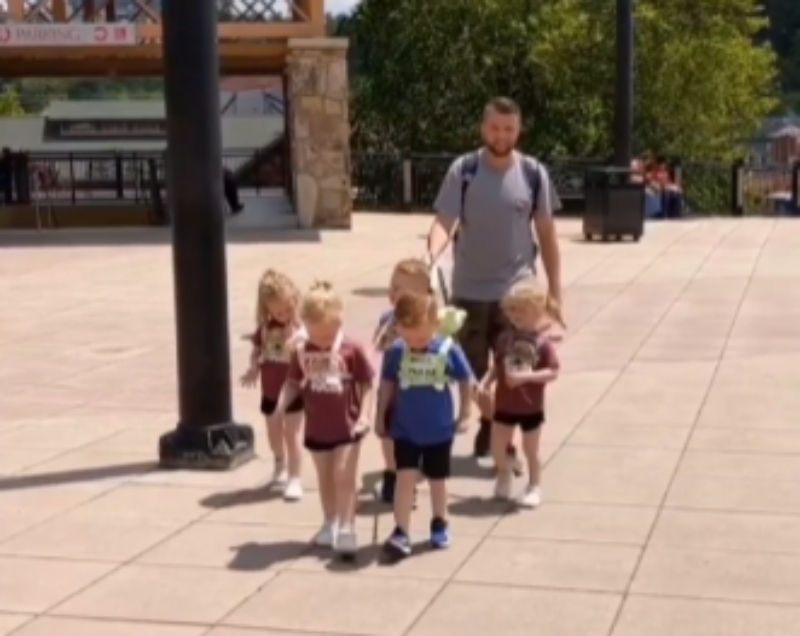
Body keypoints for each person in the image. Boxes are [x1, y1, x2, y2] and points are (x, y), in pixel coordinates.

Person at [426, 96, 563, 465]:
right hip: (468, 291)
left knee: (513, 369)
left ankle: (503, 440)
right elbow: (444, 221)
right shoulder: (464, 170)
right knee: (471, 373)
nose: (501, 136)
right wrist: (432, 255)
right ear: (483, 128)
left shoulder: (533, 174)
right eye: (495, 128)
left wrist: (555, 293)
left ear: (519, 131)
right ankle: (490, 423)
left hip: (516, 294)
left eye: (509, 129)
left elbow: (547, 235)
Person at [275, 281, 375, 557]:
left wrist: (365, 415)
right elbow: (292, 382)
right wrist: (282, 403)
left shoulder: (351, 348)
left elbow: (367, 383)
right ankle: (330, 521)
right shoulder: (302, 350)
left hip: (348, 426)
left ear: (339, 323)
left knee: (344, 476)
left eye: (328, 337)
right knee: (325, 477)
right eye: (316, 337)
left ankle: (347, 526)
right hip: (317, 427)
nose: (322, 343)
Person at [376, 292, 473, 558]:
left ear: (435, 325)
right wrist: (380, 415)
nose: (415, 343)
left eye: (420, 338)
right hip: (404, 429)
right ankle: (401, 530)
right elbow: (387, 384)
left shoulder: (448, 349)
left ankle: (440, 522)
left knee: (437, 481)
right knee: (404, 479)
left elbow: (465, 379)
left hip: (439, 430)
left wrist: (465, 412)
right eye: (408, 337)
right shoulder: (397, 351)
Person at [477, 278, 562, 508]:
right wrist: (485, 382)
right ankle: (505, 473)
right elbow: (497, 366)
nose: (515, 316)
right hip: (504, 404)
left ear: (537, 310)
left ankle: (534, 486)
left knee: (531, 450)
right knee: (497, 447)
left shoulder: (543, 344)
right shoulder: (504, 339)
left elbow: (553, 372)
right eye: (512, 310)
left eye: (521, 310)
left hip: (530, 406)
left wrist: (527, 377)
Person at [240, 269, 306, 500]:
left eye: (288, 308)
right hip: (270, 390)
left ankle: (295, 478)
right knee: (274, 433)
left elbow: (307, 352)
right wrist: (253, 368)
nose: (284, 314)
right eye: (278, 311)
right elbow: (257, 352)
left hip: (293, 389)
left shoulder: (300, 329)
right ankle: (280, 462)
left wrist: (295, 340)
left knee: (292, 434)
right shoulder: (265, 330)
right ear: (267, 308)